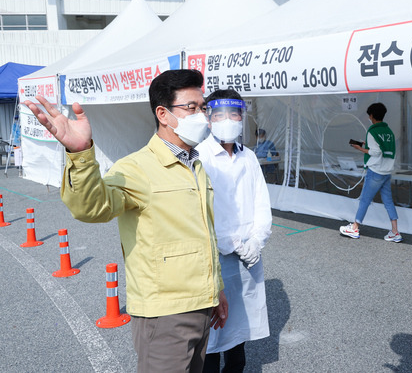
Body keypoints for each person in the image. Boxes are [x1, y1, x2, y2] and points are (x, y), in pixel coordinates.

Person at [24, 69, 228, 372]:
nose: (202, 115)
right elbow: (92, 207)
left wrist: (217, 289)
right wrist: (80, 154)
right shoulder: (137, 167)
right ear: (163, 113)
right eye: (191, 107)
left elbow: (204, 235)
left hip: (202, 304)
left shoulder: (194, 164)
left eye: (202, 108)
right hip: (165, 314)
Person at [198, 90, 271, 372]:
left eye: (232, 114)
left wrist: (256, 240)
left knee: (239, 340)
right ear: (209, 118)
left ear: (241, 117)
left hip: (249, 258)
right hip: (215, 259)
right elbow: (200, 211)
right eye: (219, 115)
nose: (226, 120)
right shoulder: (200, 157)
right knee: (212, 339)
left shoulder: (248, 156)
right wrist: (228, 242)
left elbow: (262, 202)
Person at [339, 102, 401, 243]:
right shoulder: (389, 131)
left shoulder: (372, 131)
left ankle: (354, 228)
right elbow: (383, 148)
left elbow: (375, 151)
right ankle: (395, 232)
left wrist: (360, 149)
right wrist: (364, 144)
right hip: (387, 171)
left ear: (371, 116)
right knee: (388, 202)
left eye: (369, 115)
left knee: (365, 200)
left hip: (375, 171)